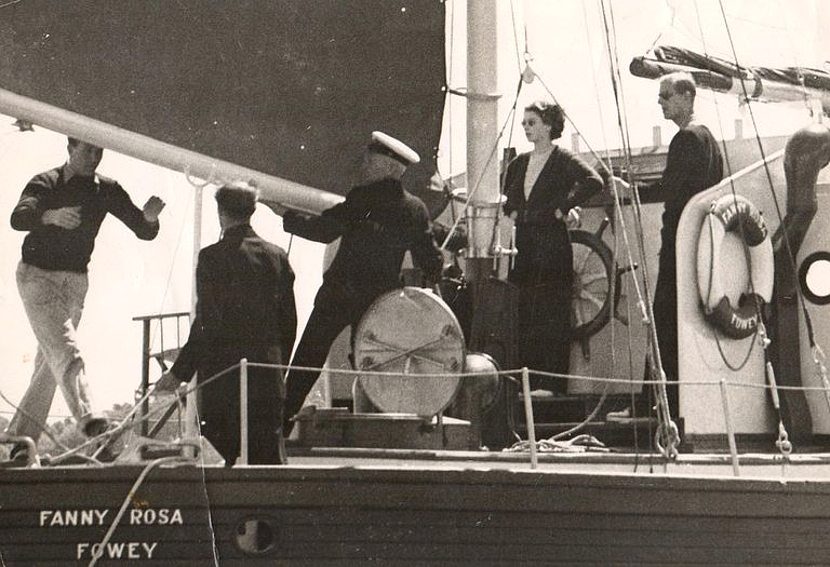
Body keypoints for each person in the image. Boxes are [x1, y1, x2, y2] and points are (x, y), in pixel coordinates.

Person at [6, 137, 165, 463]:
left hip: (75, 283)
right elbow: (19, 218)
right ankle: (93, 426)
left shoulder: (106, 189)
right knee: (66, 350)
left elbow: (142, 230)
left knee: (52, 363)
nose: (95, 157)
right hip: (37, 278)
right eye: (88, 150)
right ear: (70, 149)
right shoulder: (47, 181)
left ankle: (21, 441)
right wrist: (49, 216)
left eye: (99, 151)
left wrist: (150, 218)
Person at [282, 131, 443, 435]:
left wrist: (287, 218)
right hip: (378, 300)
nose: (366, 164)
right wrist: (435, 282)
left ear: (388, 166)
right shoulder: (415, 209)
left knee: (309, 357)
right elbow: (429, 258)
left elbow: (324, 230)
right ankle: (397, 425)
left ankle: (279, 424)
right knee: (376, 362)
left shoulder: (361, 198)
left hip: (339, 293)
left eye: (372, 159)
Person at [156, 182, 296, 466]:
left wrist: (179, 373)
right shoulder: (277, 256)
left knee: (219, 464)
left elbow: (207, 322)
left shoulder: (212, 258)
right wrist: (278, 365)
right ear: (251, 212)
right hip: (266, 374)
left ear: (221, 213)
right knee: (268, 461)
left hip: (224, 377)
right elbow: (289, 323)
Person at [611, 72, 724, 419]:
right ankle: (675, 406)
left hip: (679, 242)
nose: (660, 102)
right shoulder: (708, 140)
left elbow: (672, 192)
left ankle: (652, 406)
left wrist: (632, 191)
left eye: (665, 96)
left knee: (664, 322)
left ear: (687, 96)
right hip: (700, 244)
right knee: (680, 324)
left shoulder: (686, 139)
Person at [502, 101, 603, 393]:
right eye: (524, 123)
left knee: (552, 312)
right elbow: (507, 196)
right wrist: (513, 211)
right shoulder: (519, 163)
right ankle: (527, 381)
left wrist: (563, 207)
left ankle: (551, 383)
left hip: (552, 244)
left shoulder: (562, 159)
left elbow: (593, 181)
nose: (526, 127)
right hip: (524, 245)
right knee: (525, 312)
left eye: (532, 122)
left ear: (548, 125)